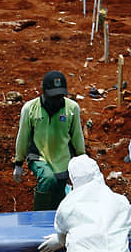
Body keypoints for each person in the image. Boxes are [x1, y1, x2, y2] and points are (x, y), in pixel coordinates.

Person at [12, 70, 86, 211]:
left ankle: (54, 224)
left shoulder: (72, 108)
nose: (56, 100)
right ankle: (39, 218)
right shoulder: (30, 108)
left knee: (58, 195)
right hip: (38, 157)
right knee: (48, 178)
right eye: (53, 96)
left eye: (60, 96)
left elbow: (77, 135)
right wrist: (19, 162)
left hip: (63, 159)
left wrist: (82, 158)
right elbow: (23, 137)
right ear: (44, 92)